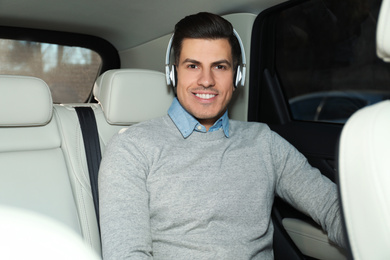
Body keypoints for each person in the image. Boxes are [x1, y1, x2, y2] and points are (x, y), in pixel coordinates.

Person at [99, 12, 345, 259]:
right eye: (193, 66)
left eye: (220, 66)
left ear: (237, 75)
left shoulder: (264, 142)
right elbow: (127, 254)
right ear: (173, 74)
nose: (206, 80)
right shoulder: (131, 148)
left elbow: (332, 207)